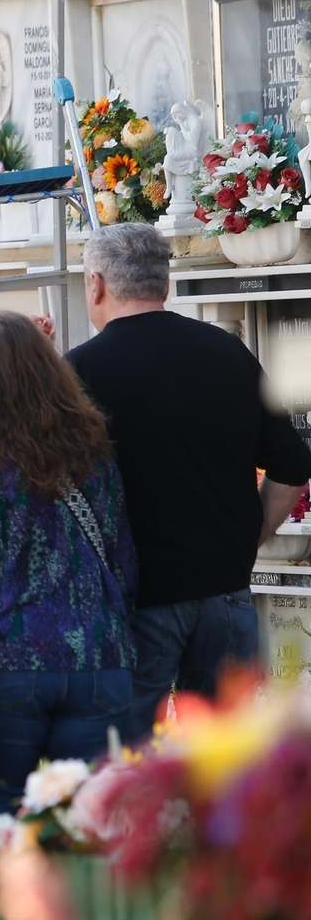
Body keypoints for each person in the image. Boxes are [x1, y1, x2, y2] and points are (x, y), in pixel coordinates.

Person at [68, 224, 311, 732]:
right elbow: (291, 464)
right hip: (224, 592)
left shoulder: (79, 372)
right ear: (166, 283)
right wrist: (251, 535)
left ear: (96, 285)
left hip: (135, 603)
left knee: (130, 759)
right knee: (225, 764)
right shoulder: (227, 353)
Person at [0, 311, 140, 810]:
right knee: (86, 821)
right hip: (100, 659)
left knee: (0, 814)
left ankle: (14, 892)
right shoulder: (92, 448)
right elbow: (122, 562)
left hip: (9, 662)